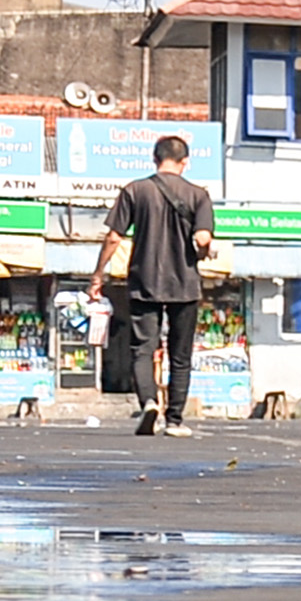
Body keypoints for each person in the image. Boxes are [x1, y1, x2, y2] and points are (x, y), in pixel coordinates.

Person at [93, 132, 217, 438]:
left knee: (143, 349)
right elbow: (202, 239)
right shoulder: (199, 195)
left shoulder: (135, 190)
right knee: (180, 354)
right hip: (184, 284)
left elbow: (113, 237)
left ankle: (148, 402)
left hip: (143, 279)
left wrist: (97, 274)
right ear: (185, 162)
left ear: (154, 159)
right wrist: (205, 248)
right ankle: (175, 420)